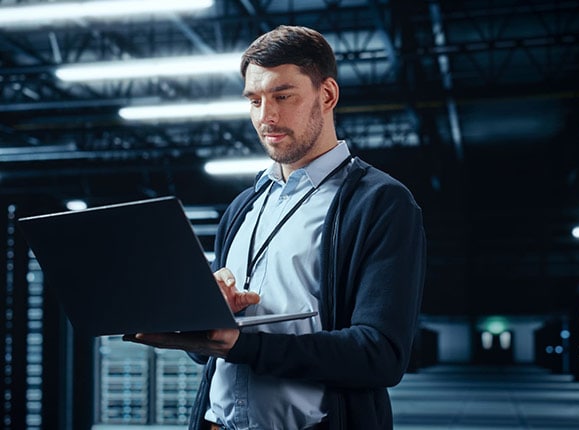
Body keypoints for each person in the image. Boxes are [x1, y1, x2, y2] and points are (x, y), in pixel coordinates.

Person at [124, 25, 426, 430]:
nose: (266, 116)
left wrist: (242, 345)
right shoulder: (242, 207)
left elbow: (380, 355)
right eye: (254, 100)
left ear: (327, 95)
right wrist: (200, 320)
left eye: (283, 96)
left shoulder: (379, 203)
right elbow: (211, 350)